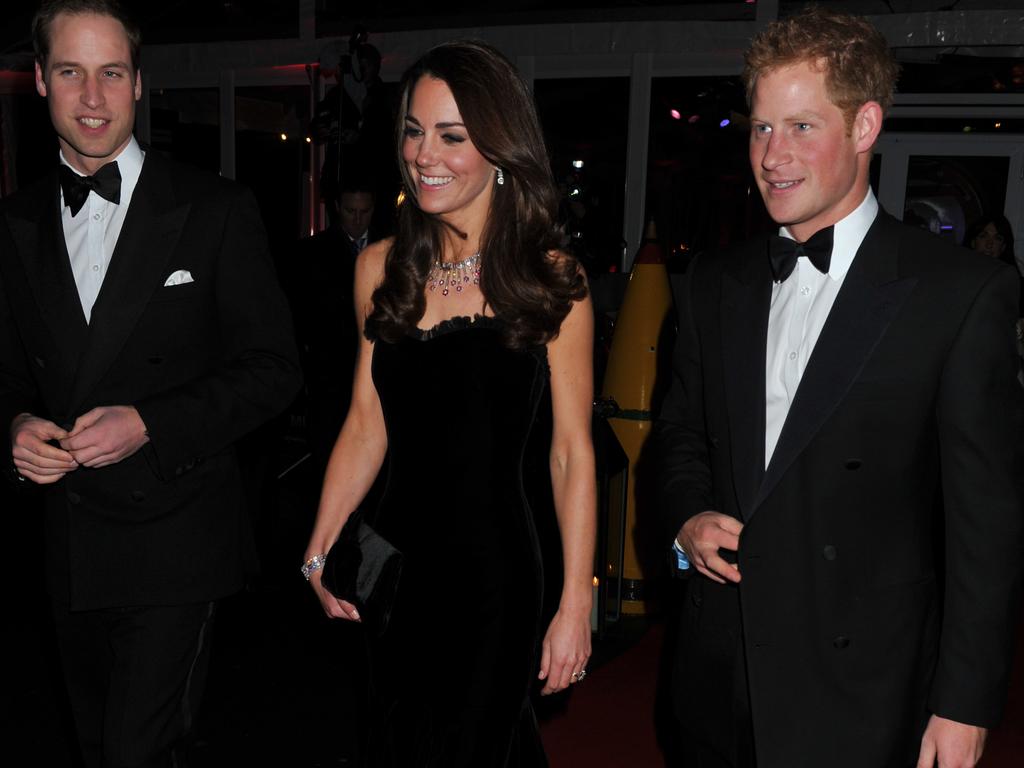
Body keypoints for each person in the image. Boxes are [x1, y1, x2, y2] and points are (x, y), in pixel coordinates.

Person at [652, 7, 1023, 768]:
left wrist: (963, 704)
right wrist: (688, 517)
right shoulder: (714, 283)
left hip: (863, 689)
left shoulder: (958, 294)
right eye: (760, 128)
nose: (772, 156)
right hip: (720, 673)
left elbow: (985, 529)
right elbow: (679, 434)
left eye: (800, 128)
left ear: (864, 128)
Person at [0, 2, 301, 766]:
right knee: (97, 745)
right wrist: (14, 428)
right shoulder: (14, 223)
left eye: (111, 74)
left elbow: (274, 372)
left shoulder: (215, 209)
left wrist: (151, 423)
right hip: (69, 544)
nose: (92, 98)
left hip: (176, 537)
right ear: (39, 81)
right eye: (70, 72)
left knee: (139, 751)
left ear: (140, 83)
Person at [302, 39, 596, 766]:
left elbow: (570, 453)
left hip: (496, 578)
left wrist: (576, 604)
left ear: (498, 147)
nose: (423, 154)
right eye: (413, 130)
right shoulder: (379, 266)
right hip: (394, 569)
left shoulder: (550, 278)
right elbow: (366, 421)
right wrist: (319, 545)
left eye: (452, 136)